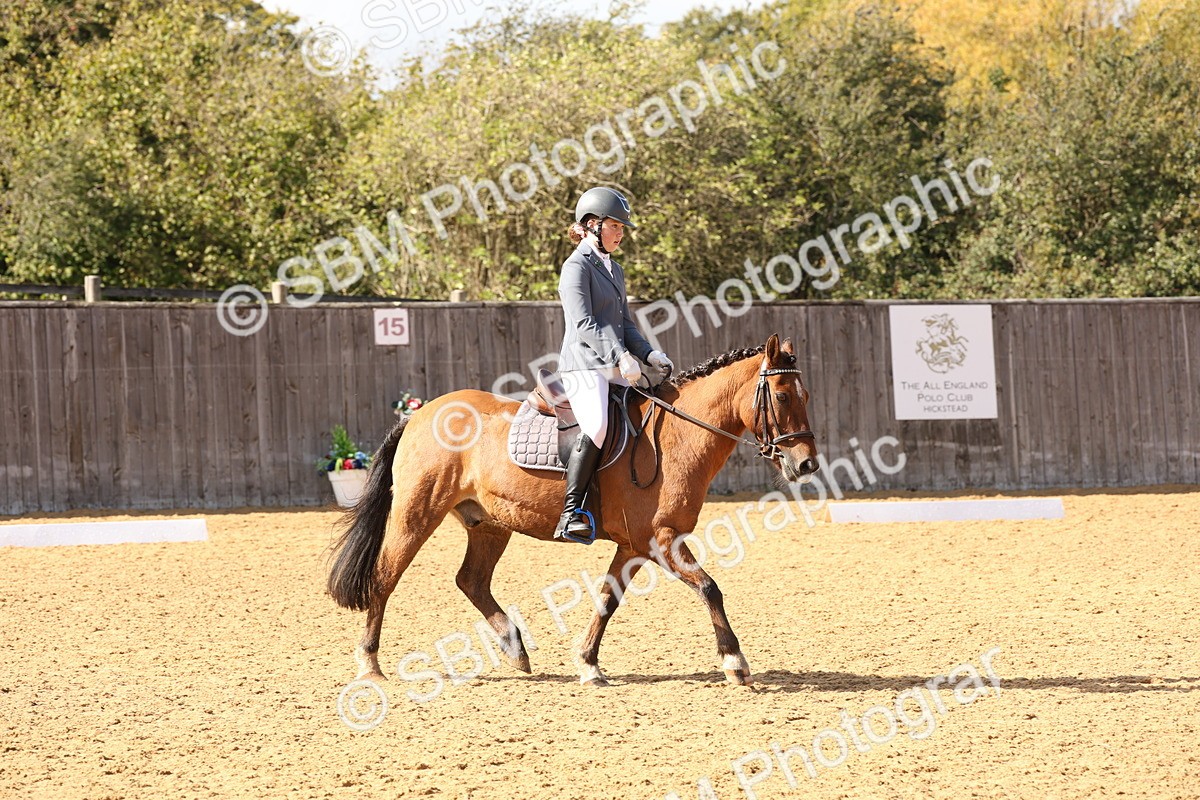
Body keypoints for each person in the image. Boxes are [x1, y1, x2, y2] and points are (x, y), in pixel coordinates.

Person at [554, 187, 674, 542]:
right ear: (592, 225)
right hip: (583, 365)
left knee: (644, 417)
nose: (621, 233)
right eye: (615, 226)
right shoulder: (575, 267)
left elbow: (625, 324)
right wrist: (620, 356)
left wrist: (648, 354)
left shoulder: (614, 269)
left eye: (622, 228)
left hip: (613, 364)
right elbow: (584, 323)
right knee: (597, 426)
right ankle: (571, 513)